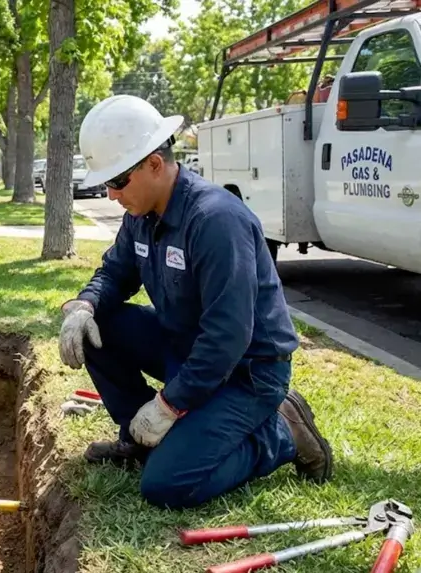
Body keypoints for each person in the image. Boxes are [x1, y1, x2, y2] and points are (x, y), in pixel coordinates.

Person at [58, 95, 333, 509]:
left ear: (154, 164)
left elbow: (227, 337)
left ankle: (280, 433)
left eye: (117, 181)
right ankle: (139, 441)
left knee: (167, 486)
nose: (111, 195)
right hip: (186, 349)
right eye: (106, 184)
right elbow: (115, 273)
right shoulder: (140, 217)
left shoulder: (216, 221)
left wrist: (169, 404)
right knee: (100, 327)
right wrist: (85, 306)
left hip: (246, 372)